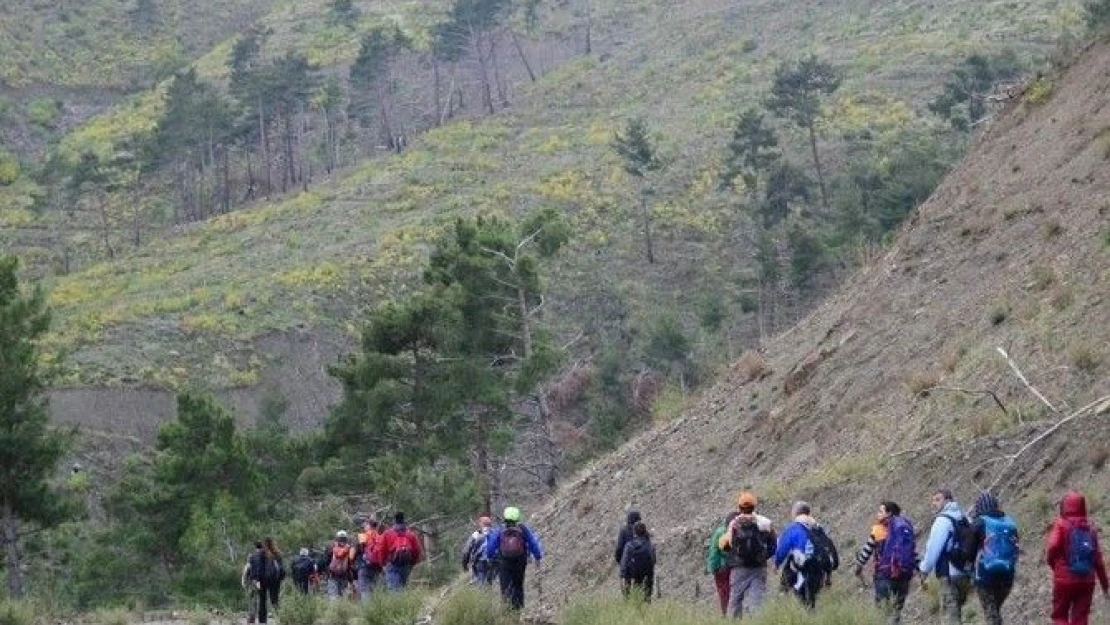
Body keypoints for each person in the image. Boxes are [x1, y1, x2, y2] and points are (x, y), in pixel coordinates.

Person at [1045, 491, 1109, 625]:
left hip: (1064, 579)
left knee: (1060, 616)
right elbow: (1098, 560)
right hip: (1087, 580)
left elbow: (1052, 547)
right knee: (1080, 619)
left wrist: (1054, 565)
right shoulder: (1090, 528)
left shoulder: (1061, 524)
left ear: (1063, 506)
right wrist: (1105, 585)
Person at [853, 501, 917, 625]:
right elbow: (912, 552)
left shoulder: (877, 530)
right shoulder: (905, 527)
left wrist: (859, 566)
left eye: (881, 511)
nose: (878, 514)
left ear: (889, 513)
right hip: (903, 577)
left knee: (883, 614)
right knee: (896, 613)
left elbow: (866, 552)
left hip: (884, 576)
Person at [718, 492, 776, 619]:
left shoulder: (734, 523)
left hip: (739, 568)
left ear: (739, 507)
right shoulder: (765, 523)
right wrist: (764, 556)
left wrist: (732, 555)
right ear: (754, 506)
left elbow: (724, 545)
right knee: (757, 601)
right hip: (758, 568)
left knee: (735, 601)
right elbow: (773, 545)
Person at [919, 489, 972, 625]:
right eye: (933, 500)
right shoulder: (964, 517)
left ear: (947, 500)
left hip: (948, 574)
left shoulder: (943, 520)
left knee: (950, 618)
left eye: (938, 499)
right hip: (965, 573)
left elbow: (933, 548)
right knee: (958, 615)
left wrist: (924, 570)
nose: (934, 503)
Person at [773, 501, 838, 610]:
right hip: (821, 569)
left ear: (795, 513)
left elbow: (782, 548)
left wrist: (776, 563)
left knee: (803, 600)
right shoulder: (818, 527)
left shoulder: (794, 528)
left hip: (804, 568)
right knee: (812, 601)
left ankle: (784, 599)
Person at [968, 492, 1019, 625]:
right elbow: (1016, 546)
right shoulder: (1009, 523)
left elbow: (969, 551)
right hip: (1007, 574)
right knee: (995, 610)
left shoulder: (979, 523)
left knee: (991, 613)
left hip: (985, 574)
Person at [485, 506, 544, 610]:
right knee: (518, 586)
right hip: (520, 562)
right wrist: (538, 557)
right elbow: (533, 543)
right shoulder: (523, 529)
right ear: (517, 517)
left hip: (504, 562)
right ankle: (518, 611)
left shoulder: (500, 530)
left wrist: (489, 556)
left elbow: (490, 546)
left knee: (505, 588)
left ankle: (507, 612)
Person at [375, 512, 424, 591]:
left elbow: (381, 550)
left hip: (392, 564)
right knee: (403, 588)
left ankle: (397, 603)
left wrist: (382, 564)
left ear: (394, 521)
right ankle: (404, 603)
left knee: (394, 590)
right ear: (403, 520)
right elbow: (417, 550)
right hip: (406, 565)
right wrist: (412, 563)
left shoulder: (388, 533)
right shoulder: (410, 534)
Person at [708, 512, 741, 615]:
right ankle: (732, 615)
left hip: (721, 567)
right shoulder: (730, 532)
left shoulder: (720, 531)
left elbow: (714, 552)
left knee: (724, 593)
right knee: (731, 592)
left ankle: (726, 614)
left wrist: (712, 568)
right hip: (730, 567)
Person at [620, 521, 656, 602]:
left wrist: (624, 577)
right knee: (646, 599)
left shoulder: (629, 545)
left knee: (632, 599)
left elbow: (624, 563)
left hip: (633, 576)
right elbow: (654, 561)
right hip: (647, 577)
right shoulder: (650, 545)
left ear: (634, 532)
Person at [462, 515, 496, 585]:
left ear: (481, 524)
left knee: (481, 581)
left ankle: (482, 593)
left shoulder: (475, 535)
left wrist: (465, 564)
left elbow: (466, 551)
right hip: (494, 560)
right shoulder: (495, 533)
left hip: (480, 561)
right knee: (492, 581)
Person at [356, 518, 383, 601]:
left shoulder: (363, 536)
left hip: (365, 565)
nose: (364, 526)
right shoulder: (380, 536)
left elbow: (359, 550)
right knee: (375, 589)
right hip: (377, 566)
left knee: (364, 590)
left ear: (369, 526)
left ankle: (366, 611)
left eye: (366, 525)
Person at [325, 530, 356, 599]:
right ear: (346, 538)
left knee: (332, 595)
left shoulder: (332, 547)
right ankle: (341, 609)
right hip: (344, 575)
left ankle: (333, 609)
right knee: (342, 596)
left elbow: (326, 561)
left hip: (332, 574)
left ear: (337, 538)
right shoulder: (349, 548)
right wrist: (351, 579)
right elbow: (350, 564)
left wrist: (326, 573)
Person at [247, 541, 271, 624]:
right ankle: (263, 619)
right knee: (263, 599)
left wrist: (245, 579)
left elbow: (248, 568)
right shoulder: (266, 556)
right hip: (264, 580)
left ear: (255, 547)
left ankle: (252, 618)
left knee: (253, 599)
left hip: (254, 580)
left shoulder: (252, 556)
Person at [262, 537, 285, 612]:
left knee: (265, 595)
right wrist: (281, 577)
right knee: (275, 595)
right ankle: (276, 610)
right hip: (276, 578)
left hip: (265, 578)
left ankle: (265, 612)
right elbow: (281, 567)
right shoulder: (278, 553)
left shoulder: (263, 554)